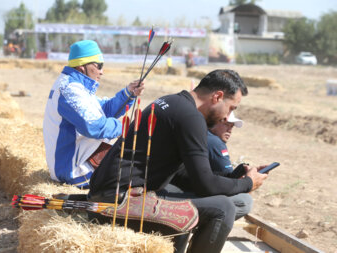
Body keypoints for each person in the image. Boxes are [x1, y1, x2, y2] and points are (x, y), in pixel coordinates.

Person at [88, 69, 267, 253]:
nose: (227, 116)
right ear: (218, 96)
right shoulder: (191, 117)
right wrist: (248, 183)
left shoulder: (172, 102)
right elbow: (205, 185)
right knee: (224, 208)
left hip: (108, 193)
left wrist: (233, 176)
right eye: (231, 108)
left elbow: (183, 175)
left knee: (192, 196)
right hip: (120, 202)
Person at [43, 40, 144, 189]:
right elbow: (93, 126)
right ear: (82, 66)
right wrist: (126, 127)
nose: (102, 71)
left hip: (80, 162)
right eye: (99, 66)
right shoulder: (69, 89)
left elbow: (103, 110)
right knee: (140, 172)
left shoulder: (76, 86)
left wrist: (128, 93)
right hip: (74, 171)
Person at [171, 111, 253, 222]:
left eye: (231, 127)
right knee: (245, 200)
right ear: (214, 122)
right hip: (186, 192)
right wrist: (248, 183)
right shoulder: (216, 142)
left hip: (180, 186)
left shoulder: (196, 133)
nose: (230, 130)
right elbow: (222, 183)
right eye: (226, 125)